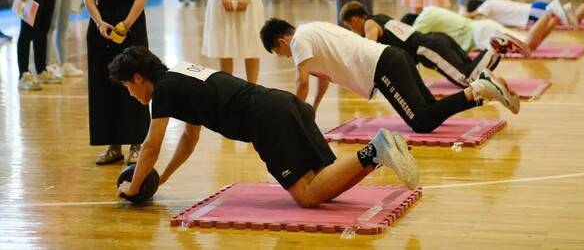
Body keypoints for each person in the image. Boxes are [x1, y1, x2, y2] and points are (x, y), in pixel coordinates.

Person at [110, 46, 420, 207]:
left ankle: (375, 149)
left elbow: (150, 147)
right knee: (326, 188)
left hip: (266, 120)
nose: (130, 94)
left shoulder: (162, 91)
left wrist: (134, 187)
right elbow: (189, 139)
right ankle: (379, 153)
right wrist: (161, 180)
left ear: (138, 78)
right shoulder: (179, 75)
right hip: (282, 104)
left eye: (126, 86)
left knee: (308, 197)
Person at [260, 18, 520, 134]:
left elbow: (301, 80)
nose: (286, 57)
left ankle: (478, 88)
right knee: (429, 109)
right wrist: (312, 109)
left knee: (421, 122)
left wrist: (295, 113)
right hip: (392, 57)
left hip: (382, 66)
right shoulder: (313, 29)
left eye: (279, 52)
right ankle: (483, 91)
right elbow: (320, 78)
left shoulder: (298, 41)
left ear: (282, 41)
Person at [78, 0, 154, 165]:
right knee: (104, 83)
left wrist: (127, 23)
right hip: (102, 19)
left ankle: (136, 143)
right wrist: (98, 21)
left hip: (130, 17)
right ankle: (113, 145)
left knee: (135, 81)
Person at [339, 0, 501, 88]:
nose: (351, 29)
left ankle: (494, 48)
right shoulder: (381, 17)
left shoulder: (369, 24)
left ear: (353, 20)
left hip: (427, 48)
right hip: (436, 39)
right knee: (471, 69)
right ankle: (497, 51)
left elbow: (369, 49)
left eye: (349, 26)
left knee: (467, 80)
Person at [407, 0, 574, 55]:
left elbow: (410, 40)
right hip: (483, 29)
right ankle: (555, 17)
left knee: (527, 46)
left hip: (481, 33)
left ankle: (550, 11)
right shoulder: (430, 11)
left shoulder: (422, 21)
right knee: (530, 46)